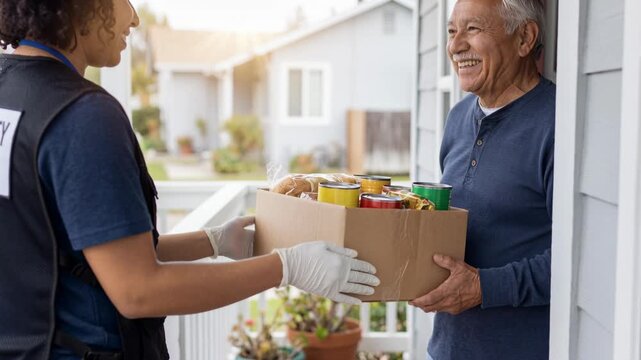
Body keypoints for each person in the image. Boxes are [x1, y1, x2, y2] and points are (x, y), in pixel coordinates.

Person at [0, 1, 380, 359]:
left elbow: (84, 253)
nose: (133, 18)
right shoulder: (84, 116)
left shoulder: (10, 93)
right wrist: (286, 267)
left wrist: (212, 241)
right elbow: (137, 290)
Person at [409, 0, 553, 359]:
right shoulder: (458, 118)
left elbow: (578, 260)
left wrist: (482, 288)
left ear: (524, 38)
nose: (456, 46)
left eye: (472, 29)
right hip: (445, 349)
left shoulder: (556, 125)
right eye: (451, 31)